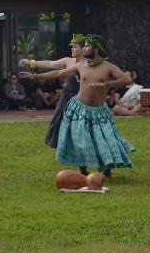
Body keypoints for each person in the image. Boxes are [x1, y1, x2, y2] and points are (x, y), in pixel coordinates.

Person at [30, 35, 134, 177]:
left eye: (87, 46)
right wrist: (36, 76)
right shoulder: (80, 66)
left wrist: (106, 84)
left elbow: (126, 79)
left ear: (96, 48)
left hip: (100, 111)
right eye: (84, 45)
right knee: (81, 140)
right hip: (80, 109)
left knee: (103, 140)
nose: (84, 48)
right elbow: (59, 72)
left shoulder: (108, 67)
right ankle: (83, 168)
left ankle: (106, 167)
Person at [21, 34, 85, 148]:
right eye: (72, 47)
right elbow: (50, 63)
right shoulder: (68, 61)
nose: (72, 49)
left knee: (80, 123)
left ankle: (79, 144)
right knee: (57, 120)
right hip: (67, 95)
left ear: (83, 49)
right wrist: (31, 62)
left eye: (75, 47)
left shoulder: (90, 64)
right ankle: (57, 145)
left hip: (82, 96)